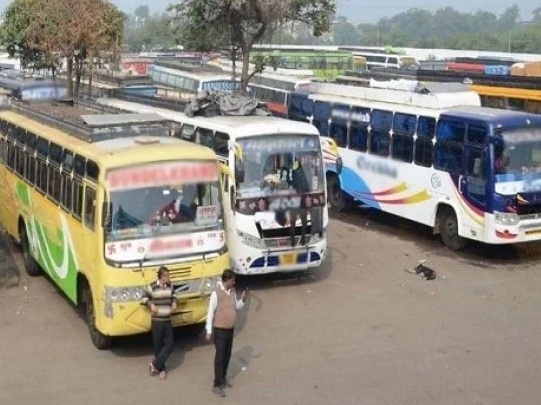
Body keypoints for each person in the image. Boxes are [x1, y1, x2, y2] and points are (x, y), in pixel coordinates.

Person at [205, 270, 248, 397]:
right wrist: (209, 331)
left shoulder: (233, 292)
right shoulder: (216, 294)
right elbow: (210, 313)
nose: (234, 282)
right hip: (220, 330)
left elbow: (236, 307)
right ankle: (217, 385)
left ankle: (222, 379)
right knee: (220, 357)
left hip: (230, 330)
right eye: (232, 280)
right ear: (227, 280)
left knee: (227, 355)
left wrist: (243, 300)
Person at [141, 266, 177, 380]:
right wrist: (151, 305)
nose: (169, 278)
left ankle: (154, 364)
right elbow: (143, 297)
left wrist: (175, 303)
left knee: (170, 344)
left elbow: (174, 296)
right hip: (157, 321)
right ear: (162, 277)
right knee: (158, 346)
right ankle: (161, 369)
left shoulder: (170, 286)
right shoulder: (152, 286)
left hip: (167, 320)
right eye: (167, 276)